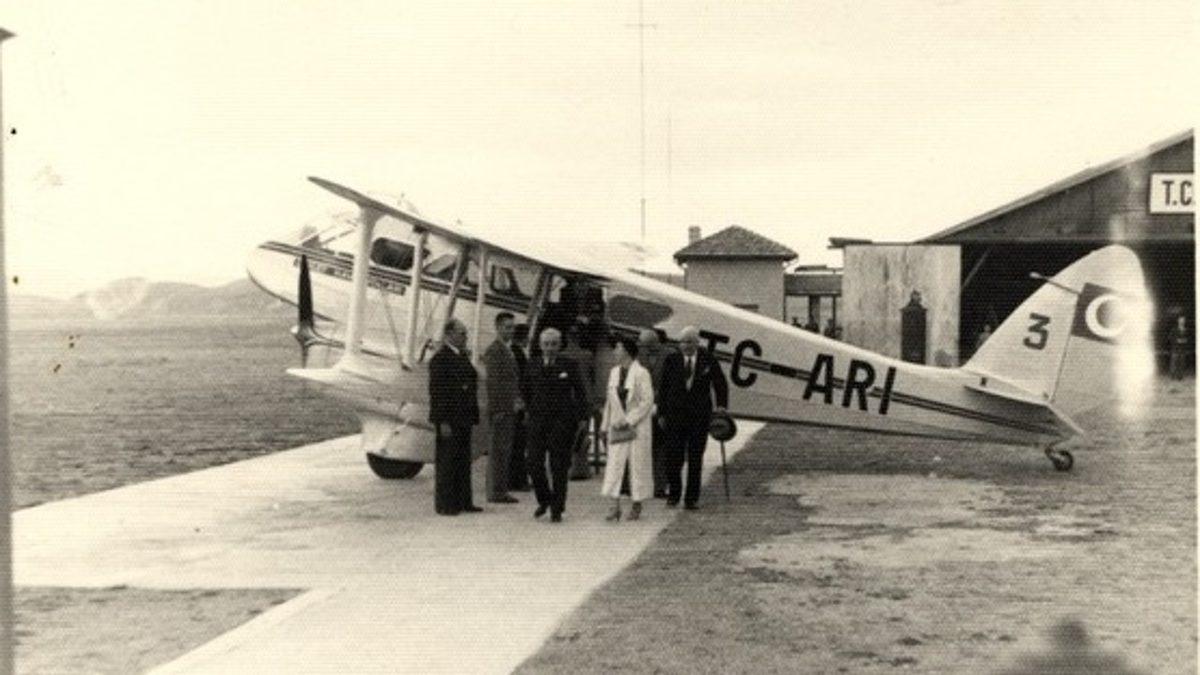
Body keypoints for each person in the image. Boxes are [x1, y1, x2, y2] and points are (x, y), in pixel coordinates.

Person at [658, 325, 728, 510]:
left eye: (690, 342)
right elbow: (663, 388)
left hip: (699, 417)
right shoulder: (671, 360)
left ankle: (691, 499)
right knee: (674, 457)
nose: (686, 345)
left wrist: (721, 406)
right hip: (675, 417)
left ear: (697, 343)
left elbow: (720, 382)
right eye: (683, 342)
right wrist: (662, 413)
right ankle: (674, 494)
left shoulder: (708, 359)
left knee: (696, 458)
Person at [526, 327, 591, 522]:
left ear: (559, 345)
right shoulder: (532, 364)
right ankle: (545, 499)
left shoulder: (569, 365)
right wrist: (531, 410)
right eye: (546, 344)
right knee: (534, 464)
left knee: (559, 467)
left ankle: (557, 507)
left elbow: (580, 392)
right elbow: (526, 390)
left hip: (561, 424)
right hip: (537, 423)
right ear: (540, 345)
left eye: (554, 344)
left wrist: (581, 418)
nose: (550, 348)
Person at [427, 318, 481, 516]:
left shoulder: (461, 356)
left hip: (463, 417)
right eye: (462, 333)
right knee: (447, 462)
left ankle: (463, 501)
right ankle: (446, 504)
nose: (465, 337)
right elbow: (438, 394)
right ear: (449, 335)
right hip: (450, 418)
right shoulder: (440, 360)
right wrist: (442, 421)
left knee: (462, 461)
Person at [600, 337, 655, 521]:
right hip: (617, 425)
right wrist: (604, 425)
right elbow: (610, 401)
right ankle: (614, 506)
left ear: (626, 351)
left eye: (617, 347)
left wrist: (629, 420)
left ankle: (636, 504)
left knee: (636, 466)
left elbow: (647, 401)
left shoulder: (642, 373)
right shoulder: (614, 372)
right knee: (615, 465)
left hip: (636, 427)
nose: (615, 351)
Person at [482, 312, 522, 504]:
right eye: (507, 327)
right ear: (497, 328)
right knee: (498, 450)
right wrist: (498, 409)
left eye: (512, 327)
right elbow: (494, 383)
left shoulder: (507, 350)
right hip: (501, 408)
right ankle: (495, 491)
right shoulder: (494, 351)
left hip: (508, 407)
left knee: (504, 450)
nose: (511, 331)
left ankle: (500, 489)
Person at [636, 328, 669, 498]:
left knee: (661, 447)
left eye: (648, 345)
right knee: (641, 447)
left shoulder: (669, 356)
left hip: (663, 407)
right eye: (642, 346)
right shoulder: (638, 357)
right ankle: (639, 485)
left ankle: (660, 486)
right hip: (643, 408)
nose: (644, 349)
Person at [562, 325, 596, 480]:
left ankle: (567, 467)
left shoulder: (562, 355)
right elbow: (592, 376)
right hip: (586, 398)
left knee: (567, 434)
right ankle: (582, 467)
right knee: (583, 435)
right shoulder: (587, 355)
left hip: (568, 398)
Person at [508, 322, 532, 491]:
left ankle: (516, 479)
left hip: (517, 403)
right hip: (519, 404)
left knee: (517, 443)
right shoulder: (519, 355)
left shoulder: (514, 352)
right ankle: (518, 480)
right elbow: (523, 381)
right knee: (519, 443)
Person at [1169, 315, 1189, 380]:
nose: (1182, 322)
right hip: (1175, 349)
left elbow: (1189, 339)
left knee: (1182, 363)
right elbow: (1170, 338)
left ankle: (1180, 377)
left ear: (1185, 321)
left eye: (1183, 320)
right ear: (1178, 321)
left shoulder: (1186, 330)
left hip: (1183, 349)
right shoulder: (1174, 329)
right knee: (1174, 363)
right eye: (1180, 320)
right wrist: (1177, 340)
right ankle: (1172, 377)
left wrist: (1185, 340)